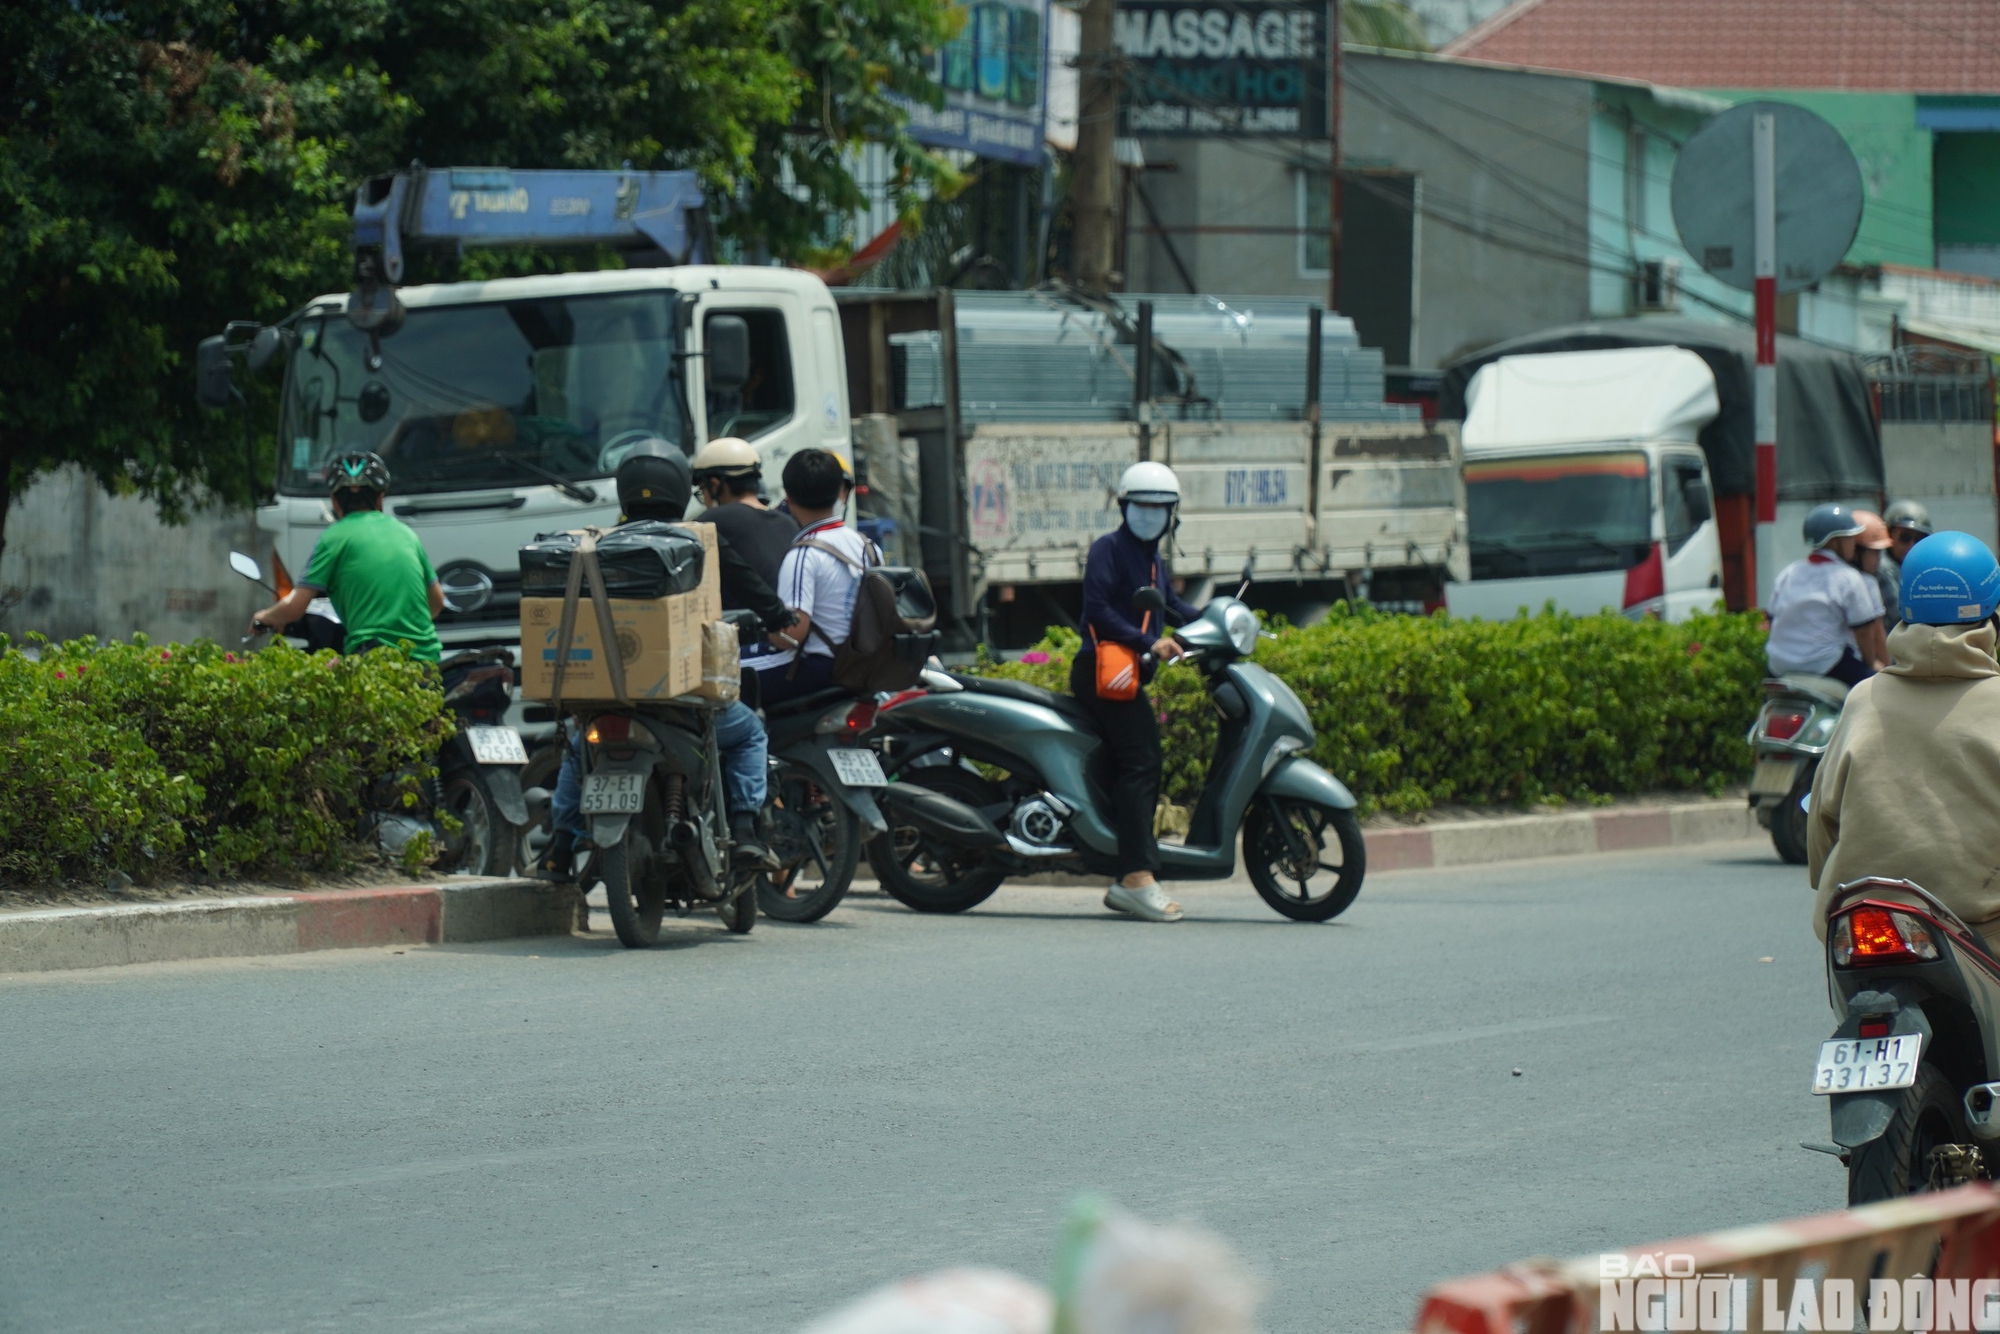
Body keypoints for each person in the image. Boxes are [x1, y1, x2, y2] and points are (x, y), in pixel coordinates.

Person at [544, 441, 776, 877]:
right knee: (750, 736)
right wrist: (781, 617)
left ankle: (559, 847)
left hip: (609, 697)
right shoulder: (698, 540)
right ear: (679, 488)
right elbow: (757, 591)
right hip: (683, 702)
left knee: (579, 754)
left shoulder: (593, 547)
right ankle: (744, 830)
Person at [1808, 531, 2000, 949]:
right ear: (1991, 618)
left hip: (1863, 920)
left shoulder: (1863, 699)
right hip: (1980, 927)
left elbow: (1822, 817)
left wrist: (1822, 878)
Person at [1073, 462, 1201, 924]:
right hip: (1100, 674)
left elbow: (1171, 605)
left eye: (1159, 507)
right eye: (1140, 505)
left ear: (1172, 515)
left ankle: (1122, 859)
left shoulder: (1151, 558)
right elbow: (1098, 610)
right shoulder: (1108, 550)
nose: (1149, 514)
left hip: (1127, 676)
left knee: (1128, 764)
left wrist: (1217, 619)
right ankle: (1135, 877)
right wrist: (1150, 641)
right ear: (1124, 506)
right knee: (1142, 761)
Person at [250, 451, 443, 661]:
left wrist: (264, 616)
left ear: (335, 501)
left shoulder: (333, 538)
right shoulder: (406, 534)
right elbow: (437, 602)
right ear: (380, 498)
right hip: (429, 662)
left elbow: (295, 608)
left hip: (376, 663)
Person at [756, 448, 867, 707]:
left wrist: (764, 629)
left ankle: (751, 746)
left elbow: (791, 635)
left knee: (722, 675)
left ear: (789, 497)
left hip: (817, 666)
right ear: (840, 492)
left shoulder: (804, 554)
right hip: (861, 660)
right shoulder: (865, 544)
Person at [691, 436, 801, 674]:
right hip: (797, 640)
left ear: (715, 484)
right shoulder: (788, 522)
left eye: (703, 488)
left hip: (759, 645)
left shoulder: (712, 523)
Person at [1765, 503, 1888, 687]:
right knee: (1879, 687)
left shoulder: (1789, 572)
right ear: (1833, 541)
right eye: (1849, 538)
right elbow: (1864, 631)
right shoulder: (1848, 577)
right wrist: (1871, 663)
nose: (1854, 545)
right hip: (1824, 666)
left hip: (1777, 666)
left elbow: (1771, 617)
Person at [1881, 499, 1934, 617]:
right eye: (1905, 537)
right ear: (1888, 535)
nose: (1912, 545)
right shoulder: (1883, 569)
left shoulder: (1926, 568)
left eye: (1919, 539)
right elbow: (1899, 615)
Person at [1849, 509, 1898, 624]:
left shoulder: (1882, 573)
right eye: (1874, 552)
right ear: (1856, 552)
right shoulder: (1842, 580)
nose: (1879, 559)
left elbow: (1897, 614)